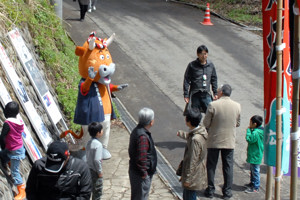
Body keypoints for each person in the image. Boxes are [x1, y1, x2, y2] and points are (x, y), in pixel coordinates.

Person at [203, 84, 241, 199]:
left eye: (219, 91)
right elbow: (237, 123)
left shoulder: (213, 105)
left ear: (221, 92)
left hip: (214, 139)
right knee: (228, 166)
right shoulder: (237, 106)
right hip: (229, 141)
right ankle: (227, 192)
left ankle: (210, 190)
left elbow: (206, 123)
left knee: (211, 165)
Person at [26, 140, 92, 200]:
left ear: (68, 156)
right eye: (51, 162)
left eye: (59, 163)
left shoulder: (81, 167)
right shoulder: (39, 166)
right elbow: (30, 189)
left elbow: (85, 194)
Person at [177, 108, 207, 200]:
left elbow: (192, 160)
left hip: (193, 176)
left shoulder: (195, 140)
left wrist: (188, 179)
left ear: (189, 121)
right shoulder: (200, 131)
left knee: (189, 196)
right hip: (195, 172)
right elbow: (189, 135)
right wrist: (181, 134)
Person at [128, 107, 157, 200]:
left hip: (136, 172)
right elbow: (141, 158)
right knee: (141, 197)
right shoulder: (143, 137)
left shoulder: (137, 130)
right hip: (140, 175)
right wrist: (144, 174)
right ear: (151, 122)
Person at [0, 101, 26, 200]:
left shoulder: (8, 123)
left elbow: (2, 137)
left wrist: (3, 146)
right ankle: (7, 162)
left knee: (15, 172)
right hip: (17, 148)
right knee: (3, 155)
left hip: (14, 151)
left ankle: (22, 191)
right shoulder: (19, 122)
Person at [183, 45, 218, 114]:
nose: (204, 56)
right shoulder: (192, 65)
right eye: (202, 54)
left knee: (211, 114)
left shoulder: (210, 65)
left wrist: (215, 92)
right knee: (194, 116)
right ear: (198, 54)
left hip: (206, 94)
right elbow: (186, 80)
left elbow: (214, 79)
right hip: (195, 95)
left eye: (205, 54)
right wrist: (186, 95)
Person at [244, 115, 264, 194]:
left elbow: (249, 139)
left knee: (255, 171)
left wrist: (248, 131)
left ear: (255, 124)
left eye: (250, 122)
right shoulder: (260, 131)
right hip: (255, 154)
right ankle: (252, 183)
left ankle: (256, 186)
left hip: (255, 154)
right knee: (252, 170)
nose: (249, 124)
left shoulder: (255, 132)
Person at [86, 122, 104, 200]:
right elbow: (97, 160)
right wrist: (99, 172)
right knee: (97, 193)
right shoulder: (98, 145)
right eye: (102, 130)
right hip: (95, 171)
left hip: (88, 169)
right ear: (98, 133)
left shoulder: (88, 142)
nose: (102, 131)